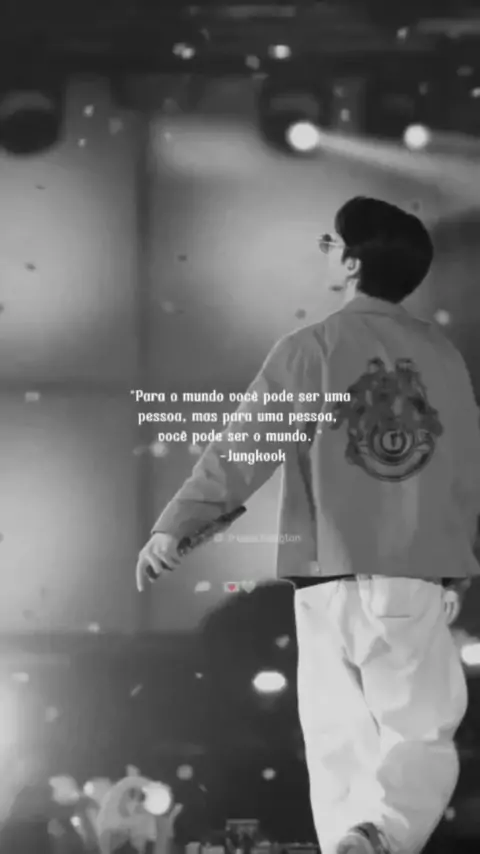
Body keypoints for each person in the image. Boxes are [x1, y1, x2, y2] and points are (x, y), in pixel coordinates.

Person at [135, 197, 480, 854]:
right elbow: (467, 469)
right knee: (418, 728)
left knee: (335, 737)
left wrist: (178, 524)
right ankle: (382, 834)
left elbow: (244, 446)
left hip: (322, 578)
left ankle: (353, 838)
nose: (327, 252)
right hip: (411, 575)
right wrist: (458, 565)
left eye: (332, 243)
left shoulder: (309, 348)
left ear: (351, 264)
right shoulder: (442, 357)